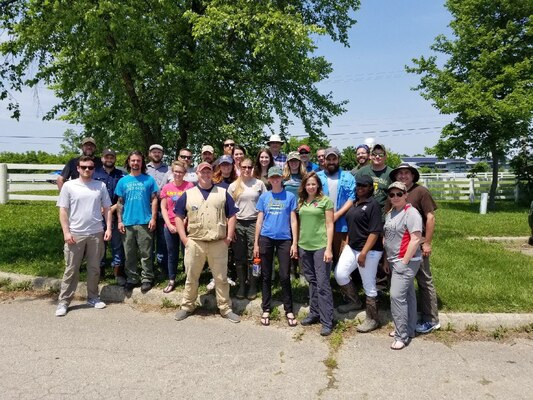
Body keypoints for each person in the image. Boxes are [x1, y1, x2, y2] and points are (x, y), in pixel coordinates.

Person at [173, 162, 241, 323]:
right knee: (191, 276)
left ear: (212, 173)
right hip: (195, 242)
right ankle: (187, 306)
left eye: (208, 171)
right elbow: (178, 216)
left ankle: (225, 308)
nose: (205, 174)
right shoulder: (188, 194)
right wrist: (184, 238)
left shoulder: (223, 193)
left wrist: (229, 237)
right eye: (202, 172)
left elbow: (232, 215)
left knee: (221, 278)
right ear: (197, 173)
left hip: (218, 242)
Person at [55, 156, 112, 317]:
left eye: (91, 167)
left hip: (96, 233)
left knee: (94, 268)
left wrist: (108, 228)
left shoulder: (99, 186)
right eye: (84, 167)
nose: (87, 170)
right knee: (71, 269)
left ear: (94, 169)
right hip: (75, 234)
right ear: (78, 168)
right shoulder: (69, 186)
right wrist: (66, 232)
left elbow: (107, 208)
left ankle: (93, 297)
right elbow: (63, 211)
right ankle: (64, 302)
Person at [389, 163, 440, 334]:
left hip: (417, 243)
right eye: (400, 173)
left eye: (406, 173)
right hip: (399, 248)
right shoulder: (394, 195)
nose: (403, 176)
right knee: (407, 286)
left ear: (412, 175)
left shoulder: (421, 192)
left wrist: (427, 242)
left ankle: (431, 319)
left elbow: (430, 217)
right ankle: (408, 322)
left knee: (424, 280)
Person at [334, 175, 383, 332]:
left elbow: (375, 231)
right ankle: (354, 301)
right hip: (352, 247)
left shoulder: (373, 205)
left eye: (364, 185)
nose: (360, 188)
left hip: (369, 251)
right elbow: (352, 225)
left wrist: (363, 253)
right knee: (340, 274)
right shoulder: (355, 203)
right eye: (358, 185)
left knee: (369, 284)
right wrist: (347, 243)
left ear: (370, 188)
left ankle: (373, 319)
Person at [254, 166, 298, 327]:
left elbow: (293, 221)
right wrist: (256, 244)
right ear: (269, 179)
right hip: (266, 238)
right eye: (272, 177)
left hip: (284, 239)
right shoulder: (264, 197)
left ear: (282, 178)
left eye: (278, 177)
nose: (275, 180)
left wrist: (294, 242)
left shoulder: (290, 196)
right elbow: (259, 220)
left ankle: (289, 309)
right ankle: (266, 308)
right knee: (266, 276)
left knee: (285, 276)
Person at [383, 181, 423, 350]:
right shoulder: (391, 212)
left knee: (396, 296)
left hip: (405, 261)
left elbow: (415, 239)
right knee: (408, 296)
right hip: (393, 260)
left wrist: (404, 261)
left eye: (399, 194)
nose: (395, 197)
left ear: (406, 195)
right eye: (392, 194)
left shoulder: (411, 213)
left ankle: (401, 336)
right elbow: (388, 238)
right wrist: (387, 260)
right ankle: (409, 328)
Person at [115, 151, 159, 293]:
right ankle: (132, 278)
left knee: (146, 253)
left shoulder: (149, 180)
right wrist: (120, 221)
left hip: (145, 222)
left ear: (142, 163)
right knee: (129, 253)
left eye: (138, 160)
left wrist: (153, 218)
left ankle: (147, 278)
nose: (135, 163)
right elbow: (120, 202)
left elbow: (154, 200)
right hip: (127, 222)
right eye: (133, 160)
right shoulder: (123, 181)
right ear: (129, 162)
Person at [297, 172, 334, 336]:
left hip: (320, 247)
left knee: (322, 283)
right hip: (304, 246)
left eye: (313, 184)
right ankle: (314, 313)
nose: (311, 186)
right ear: (304, 186)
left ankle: (327, 321)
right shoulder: (302, 201)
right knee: (311, 281)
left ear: (318, 185)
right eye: (308, 184)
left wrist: (329, 248)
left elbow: (329, 225)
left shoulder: (325, 201)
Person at [228, 158, 267, 300]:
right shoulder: (233, 186)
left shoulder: (259, 184)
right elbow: (229, 209)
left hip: (254, 223)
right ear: (239, 167)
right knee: (239, 257)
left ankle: (253, 285)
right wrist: (230, 229)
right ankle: (242, 285)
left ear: (252, 168)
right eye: (244, 167)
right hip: (238, 223)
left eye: (249, 167)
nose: (246, 169)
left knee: (254, 257)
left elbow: (265, 204)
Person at [317, 147, 356, 264]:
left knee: (342, 256)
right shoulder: (317, 176)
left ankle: (342, 281)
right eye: (329, 159)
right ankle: (325, 281)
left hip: (342, 223)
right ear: (324, 160)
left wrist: (337, 214)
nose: (332, 162)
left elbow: (352, 197)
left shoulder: (348, 177)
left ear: (338, 160)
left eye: (334, 159)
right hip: (321, 223)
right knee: (323, 255)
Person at [160, 160, 194, 293]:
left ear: (185, 173)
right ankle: (172, 279)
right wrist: (168, 224)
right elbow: (163, 207)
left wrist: (186, 220)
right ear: (172, 172)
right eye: (176, 171)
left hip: (186, 224)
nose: (178, 174)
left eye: (181, 172)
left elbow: (192, 206)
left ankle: (189, 279)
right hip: (170, 225)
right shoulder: (167, 188)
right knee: (171, 253)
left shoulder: (189, 186)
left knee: (187, 252)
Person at [93, 148, 125, 283]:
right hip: (98, 215)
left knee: (117, 244)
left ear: (115, 159)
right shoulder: (94, 174)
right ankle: (99, 272)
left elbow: (123, 197)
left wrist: (111, 208)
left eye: (112, 157)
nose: (109, 159)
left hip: (116, 213)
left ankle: (118, 273)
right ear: (102, 159)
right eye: (107, 157)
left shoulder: (121, 175)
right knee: (99, 245)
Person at [282, 151, 307, 280]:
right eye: (291, 161)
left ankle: (303, 272)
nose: (294, 163)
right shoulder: (283, 178)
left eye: (296, 161)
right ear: (288, 163)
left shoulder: (305, 177)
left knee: (301, 243)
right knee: (289, 242)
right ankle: (291, 270)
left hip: (302, 214)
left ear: (299, 162)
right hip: (287, 215)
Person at [146, 144, 169, 279]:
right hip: (146, 208)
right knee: (148, 240)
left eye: (159, 152)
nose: (156, 154)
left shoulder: (168, 169)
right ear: (150, 154)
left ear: (162, 154)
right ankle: (149, 268)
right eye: (154, 151)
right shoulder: (144, 169)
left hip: (163, 208)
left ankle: (161, 267)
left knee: (162, 240)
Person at [356, 144, 393, 210]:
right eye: (374, 154)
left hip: (382, 214)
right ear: (370, 156)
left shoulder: (391, 173)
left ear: (385, 157)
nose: (377, 156)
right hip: (363, 212)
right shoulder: (362, 171)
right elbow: (354, 192)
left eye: (381, 155)